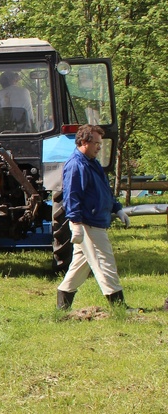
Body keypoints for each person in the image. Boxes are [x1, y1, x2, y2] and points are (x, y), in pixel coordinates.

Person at [56, 124, 129, 311]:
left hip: (94, 221)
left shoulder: (92, 162)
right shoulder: (76, 165)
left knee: (79, 268)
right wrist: (76, 223)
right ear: (83, 142)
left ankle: (62, 308)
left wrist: (117, 209)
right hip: (88, 223)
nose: (99, 147)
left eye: (100, 143)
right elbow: (72, 196)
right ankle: (120, 308)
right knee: (105, 262)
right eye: (96, 143)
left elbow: (103, 190)